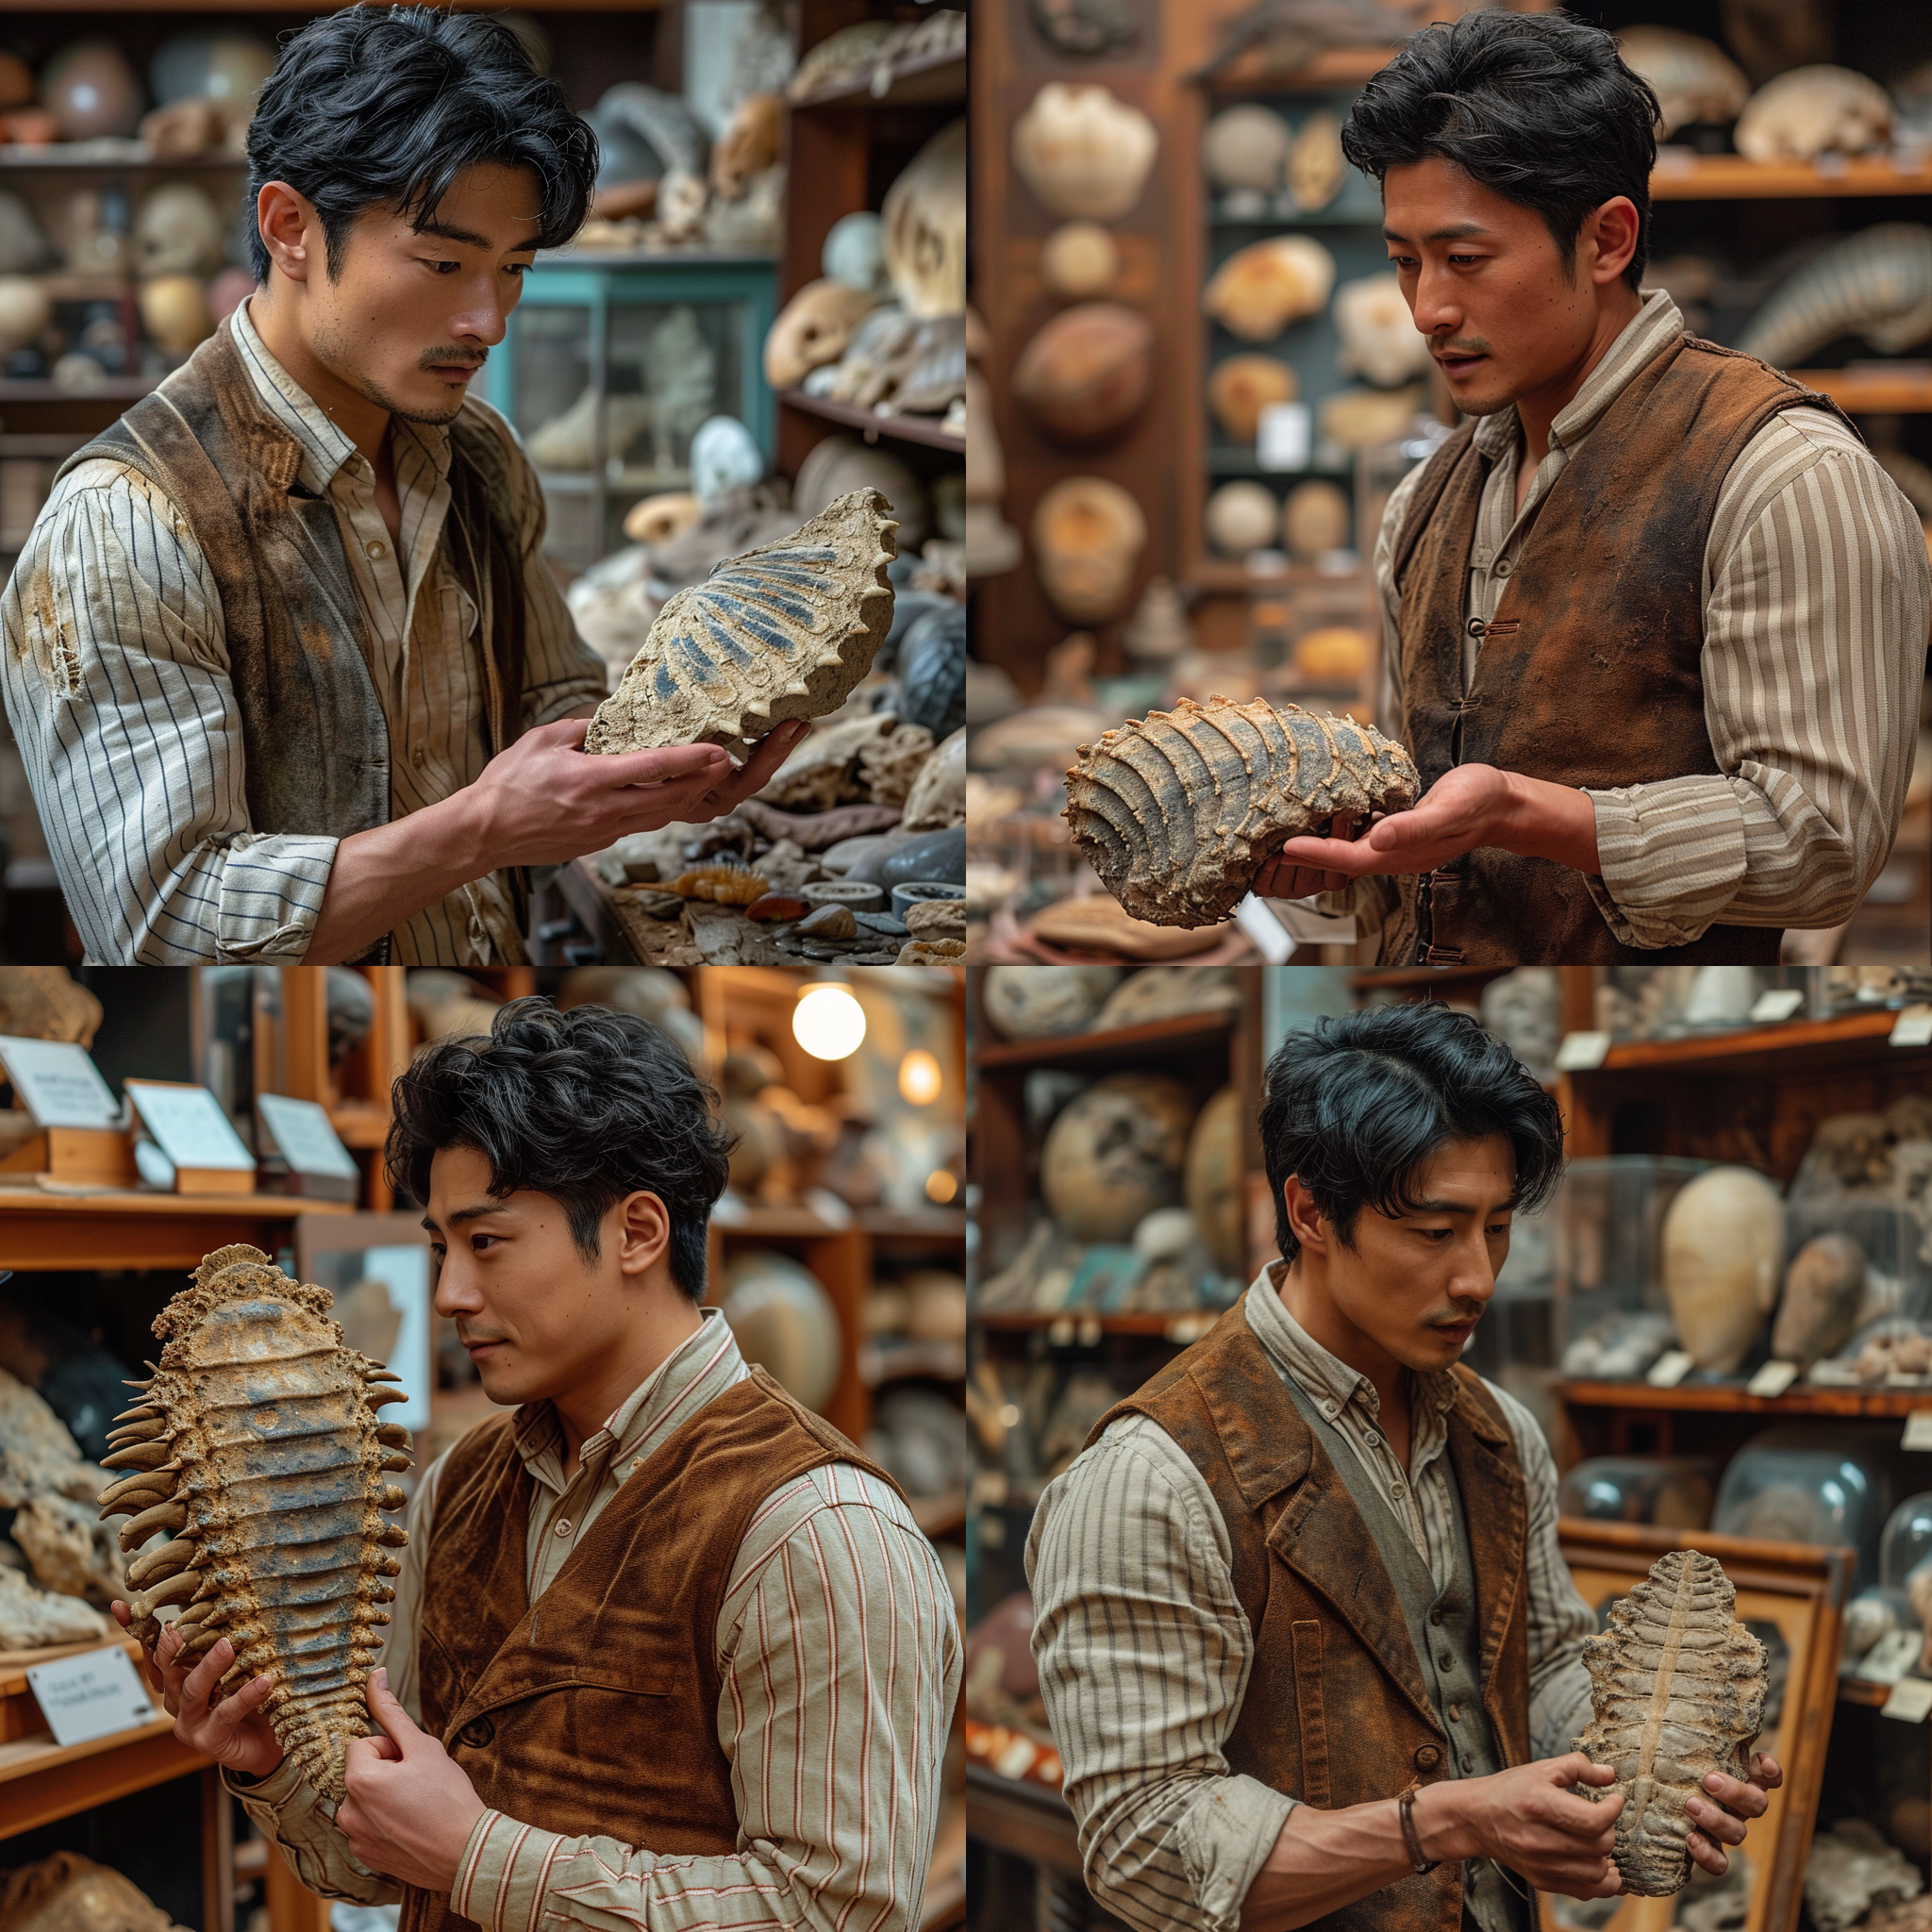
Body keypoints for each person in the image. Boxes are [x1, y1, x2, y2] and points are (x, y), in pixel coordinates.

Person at [117, 999, 959, 1932]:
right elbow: (390, 1857)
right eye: (440, 1247)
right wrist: (276, 1759)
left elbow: (838, 1912)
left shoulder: (817, 1528)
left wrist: (475, 1853)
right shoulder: (458, 1483)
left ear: (637, 1232)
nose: (448, 1293)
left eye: (487, 1242)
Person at [0, 8, 805, 966]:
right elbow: (169, 926)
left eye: (513, 270)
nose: (487, 319)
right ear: (290, 227)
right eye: (442, 264)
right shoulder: (126, 525)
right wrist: (481, 829)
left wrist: (667, 766)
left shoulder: (478, 453)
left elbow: (556, 702)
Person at [1026, 1002, 1777, 1932]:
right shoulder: (1150, 1479)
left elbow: (1533, 1666)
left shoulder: (1499, 1431)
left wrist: (1653, 1760)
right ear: (1307, 1211)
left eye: (1495, 1226)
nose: (1477, 1276)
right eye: (1434, 1231)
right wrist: (1450, 1820)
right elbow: (1144, 1843)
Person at [1251, 12, 1929, 967]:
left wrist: (1525, 813)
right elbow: (1405, 856)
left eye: (1465, 258)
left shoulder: (1783, 478)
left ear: (1605, 240)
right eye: (1404, 262)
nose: (1426, 309)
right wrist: (1338, 866)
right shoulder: (1420, 506)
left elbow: (1822, 842)